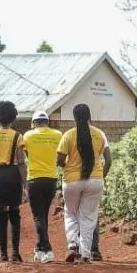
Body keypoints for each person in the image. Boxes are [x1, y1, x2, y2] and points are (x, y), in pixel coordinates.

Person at [56, 104, 111, 262]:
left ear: (74, 117)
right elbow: (108, 160)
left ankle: (72, 246)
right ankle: (85, 254)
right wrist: (101, 175)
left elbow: (59, 160)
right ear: (89, 116)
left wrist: (68, 167)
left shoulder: (68, 135)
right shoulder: (99, 134)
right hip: (95, 180)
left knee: (71, 212)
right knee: (88, 218)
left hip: (72, 181)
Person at [0, 100, 27, 263]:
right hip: (13, 175)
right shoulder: (18, 136)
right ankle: (15, 253)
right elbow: (21, 162)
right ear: (13, 118)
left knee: (1, 216)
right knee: (15, 214)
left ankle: (3, 254)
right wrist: (25, 185)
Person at [22, 111, 60, 263]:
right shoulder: (58, 135)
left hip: (34, 179)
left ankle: (48, 250)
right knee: (43, 215)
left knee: (38, 216)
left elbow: (27, 155)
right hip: (51, 178)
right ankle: (39, 249)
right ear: (47, 122)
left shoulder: (27, 136)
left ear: (34, 123)